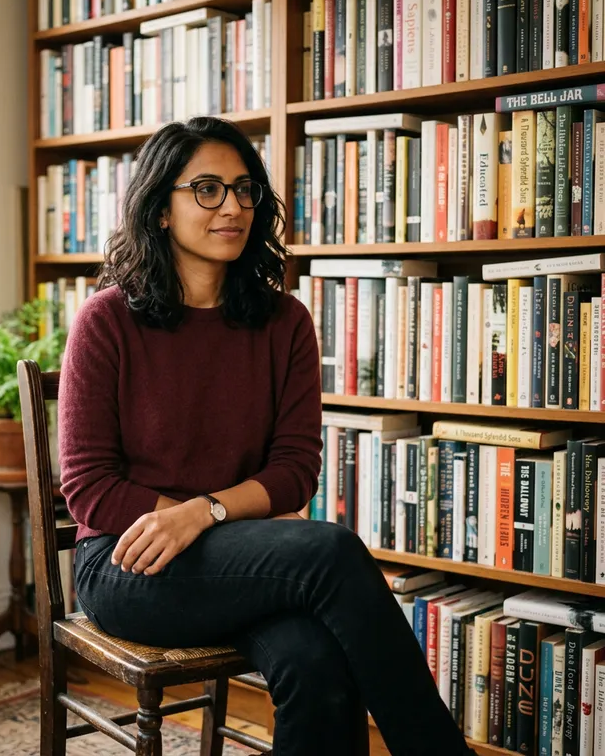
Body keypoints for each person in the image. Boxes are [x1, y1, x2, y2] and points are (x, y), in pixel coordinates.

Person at [57, 116, 474, 756]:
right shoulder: (106, 321)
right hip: (128, 563)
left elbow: (294, 470)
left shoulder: (285, 321)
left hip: (240, 557)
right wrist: (190, 524)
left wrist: (205, 515)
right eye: (207, 189)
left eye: (245, 189)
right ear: (159, 210)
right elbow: (88, 488)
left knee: (316, 666)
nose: (233, 206)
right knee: (330, 552)